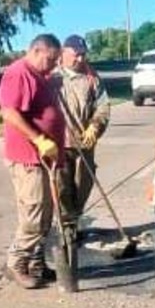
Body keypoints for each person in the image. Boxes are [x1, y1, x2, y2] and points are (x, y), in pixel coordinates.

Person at [0, 34, 65, 289]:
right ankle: (16, 262)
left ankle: (36, 263)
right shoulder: (19, 73)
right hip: (28, 157)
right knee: (34, 214)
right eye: (50, 59)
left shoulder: (40, 75)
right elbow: (9, 112)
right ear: (36, 51)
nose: (53, 65)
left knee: (47, 214)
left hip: (45, 158)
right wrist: (39, 139)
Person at [49, 35, 111, 237]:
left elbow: (103, 107)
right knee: (62, 186)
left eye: (83, 55)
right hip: (59, 143)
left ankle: (75, 217)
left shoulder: (92, 78)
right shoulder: (52, 77)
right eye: (76, 55)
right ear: (64, 53)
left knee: (84, 182)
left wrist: (95, 126)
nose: (80, 59)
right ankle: (67, 225)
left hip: (85, 142)